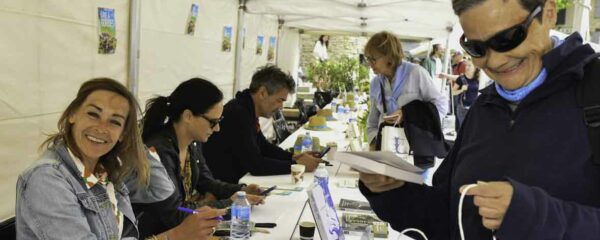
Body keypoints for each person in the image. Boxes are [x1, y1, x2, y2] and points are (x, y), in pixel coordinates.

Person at [359, 0, 600, 239]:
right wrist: (392, 191)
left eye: (508, 38)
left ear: (548, 14)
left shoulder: (593, 93)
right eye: (476, 48)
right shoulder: (484, 108)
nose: (494, 61)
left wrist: (536, 216)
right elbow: (449, 217)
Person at [16, 78, 225, 240]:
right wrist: (175, 236)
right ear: (72, 115)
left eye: (115, 122)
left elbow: (161, 189)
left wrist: (132, 145)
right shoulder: (47, 179)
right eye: (93, 114)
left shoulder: (107, 172)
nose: (101, 128)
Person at [134, 78, 265, 238]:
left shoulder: (192, 143)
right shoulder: (158, 152)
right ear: (188, 116)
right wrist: (231, 203)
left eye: (219, 121)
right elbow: (175, 214)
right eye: (213, 122)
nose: (217, 128)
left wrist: (241, 191)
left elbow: (206, 181)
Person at [204, 65, 321, 184]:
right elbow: (256, 165)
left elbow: (263, 146)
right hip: (222, 188)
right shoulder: (238, 114)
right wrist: (296, 165)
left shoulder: (246, 108)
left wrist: (293, 157)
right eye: (279, 100)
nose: (281, 106)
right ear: (263, 93)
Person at [364, 31, 448, 148]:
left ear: (389, 56)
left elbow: (441, 106)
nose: (369, 63)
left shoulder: (416, 73)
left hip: (416, 149)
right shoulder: (376, 83)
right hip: (386, 149)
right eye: (368, 58)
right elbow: (372, 122)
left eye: (373, 59)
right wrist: (374, 143)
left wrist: (409, 115)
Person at [439, 60, 481, 129]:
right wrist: (461, 90)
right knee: (464, 129)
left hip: (474, 109)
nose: (467, 67)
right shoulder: (461, 79)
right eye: (466, 65)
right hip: (463, 109)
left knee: (473, 129)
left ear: (475, 67)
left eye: (469, 65)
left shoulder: (478, 78)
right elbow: (453, 92)